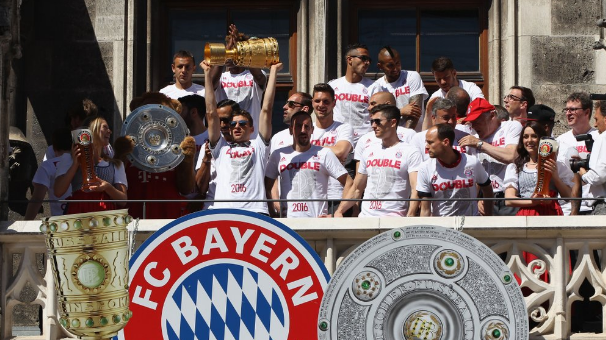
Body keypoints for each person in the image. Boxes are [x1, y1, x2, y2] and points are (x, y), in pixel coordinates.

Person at [203, 58, 282, 214]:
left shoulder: (259, 146)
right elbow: (211, 113)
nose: (237, 127)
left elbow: (267, 109)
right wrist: (206, 74)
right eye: (233, 124)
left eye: (242, 124)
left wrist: (273, 72)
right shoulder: (221, 148)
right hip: (223, 210)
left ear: (252, 128)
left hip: (255, 210)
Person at [117, 92, 197, 219]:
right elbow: (116, 182)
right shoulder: (129, 144)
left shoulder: (176, 147)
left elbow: (186, 188)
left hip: (167, 215)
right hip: (134, 216)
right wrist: (120, 155)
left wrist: (187, 160)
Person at [334, 105, 423, 217]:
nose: (373, 126)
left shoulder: (411, 151)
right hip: (366, 218)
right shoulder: (368, 150)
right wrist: (340, 210)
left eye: (377, 121)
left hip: (394, 219)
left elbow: (416, 189)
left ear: (393, 122)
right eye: (371, 122)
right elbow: (357, 189)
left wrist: (410, 216)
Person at [265, 111, 350, 217]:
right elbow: (266, 187)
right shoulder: (278, 154)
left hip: (316, 223)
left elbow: (349, 183)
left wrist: (339, 211)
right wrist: (273, 213)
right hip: (287, 223)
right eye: (298, 126)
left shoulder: (324, 153)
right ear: (291, 130)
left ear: (312, 130)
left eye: (307, 127)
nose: (303, 130)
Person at [458, 98, 522, 215]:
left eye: (477, 120)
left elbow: (511, 156)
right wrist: (476, 200)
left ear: (492, 115)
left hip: (507, 195)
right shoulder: (474, 138)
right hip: (485, 198)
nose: (474, 125)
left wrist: (480, 144)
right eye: (471, 122)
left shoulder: (510, 127)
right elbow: (473, 174)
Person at [54, 117, 128, 214]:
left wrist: (107, 187)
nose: (110, 131)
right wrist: (75, 164)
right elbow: (58, 192)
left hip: (104, 214)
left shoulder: (116, 164)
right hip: (79, 212)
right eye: (105, 127)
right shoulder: (69, 158)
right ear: (92, 131)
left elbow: (123, 201)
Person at [417, 124, 493, 216]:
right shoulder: (425, 168)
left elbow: (487, 188)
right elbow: (425, 210)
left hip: (470, 225)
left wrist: (488, 217)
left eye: (430, 142)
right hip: (442, 227)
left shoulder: (472, 162)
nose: (426, 146)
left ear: (445, 142)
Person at [504, 121, 572, 215]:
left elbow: (569, 197)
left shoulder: (555, 164)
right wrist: (532, 202)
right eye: (525, 137)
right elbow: (508, 200)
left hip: (551, 213)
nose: (529, 140)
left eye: (534, 136)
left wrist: (555, 177)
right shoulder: (516, 167)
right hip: (527, 214)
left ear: (542, 139)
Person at [210, 24, 267, 135]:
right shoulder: (221, 77)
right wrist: (226, 51)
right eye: (228, 52)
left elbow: (260, 78)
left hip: (250, 136)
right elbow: (211, 83)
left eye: (233, 52)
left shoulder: (252, 75)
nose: (229, 56)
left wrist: (245, 52)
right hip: (225, 137)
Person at [309, 83, 354, 213]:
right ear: (312, 103)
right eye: (317, 101)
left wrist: (309, 149)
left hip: (337, 196)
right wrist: (330, 150)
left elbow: (341, 152)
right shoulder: (306, 128)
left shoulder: (343, 128)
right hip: (312, 198)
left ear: (334, 103)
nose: (321, 105)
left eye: (326, 101)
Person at [556, 92, 599, 215]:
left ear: (586, 112)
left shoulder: (598, 137)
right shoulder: (560, 140)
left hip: (591, 205)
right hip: (566, 207)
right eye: (567, 109)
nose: (568, 113)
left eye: (573, 109)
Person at [368, 46, 428, 131]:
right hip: (390, 136)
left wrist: (406, 135)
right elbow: (377, 115)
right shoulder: (377, 86)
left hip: (413, 135)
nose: (395, 68)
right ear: (380, 66)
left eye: (398, 63)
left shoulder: (411, 76)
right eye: (390, 66)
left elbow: (415, 111)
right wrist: (400, 111)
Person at [195, 99, 241, 211]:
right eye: (218, 121)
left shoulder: (251, 146)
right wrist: (207, 159)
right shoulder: (207, 146)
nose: (222, 125)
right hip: (213, 209)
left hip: (242, 209)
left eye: (226, 120)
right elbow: (200, 188)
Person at [354, 91, 416, 173]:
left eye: (373, 104)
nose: (368, 108)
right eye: (369, 104)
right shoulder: (364, 139)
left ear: (388, 104)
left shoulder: (409, 134)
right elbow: (359, 176)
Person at [328, 43, 374, 146]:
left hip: (365, 143)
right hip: (338, 141)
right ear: (350, 60)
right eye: (363, 58)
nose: (367, 63)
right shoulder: (332, 86)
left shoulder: (373, 87)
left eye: (369, 60)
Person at [25, 128, 73, 219]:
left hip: (60, 224)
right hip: (85, 221)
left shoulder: (47, 166)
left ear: (54, 148)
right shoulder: (81, 164)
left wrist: (25, 225)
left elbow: (37, 199)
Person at [579, 99, 606, 214]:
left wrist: (583, 174)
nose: (595, 124)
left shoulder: (604, 136)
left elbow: (598, 175)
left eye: (596, 119)